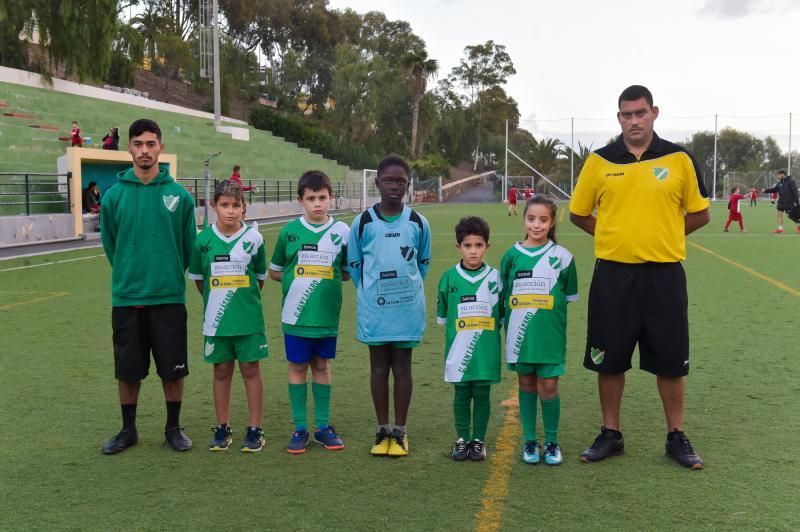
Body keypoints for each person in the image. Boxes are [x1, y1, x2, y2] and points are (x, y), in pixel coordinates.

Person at [569, 85, 709, 470]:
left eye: (641, 113)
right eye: (627, 114)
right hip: (613, 276)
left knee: (671, 362)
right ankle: (610, 434)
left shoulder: (679, 159)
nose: (634, 120)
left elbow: (699, 213)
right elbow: (578, 213)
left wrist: (663, 236)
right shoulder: (600, 161)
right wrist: (614, 237)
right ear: (619, 118)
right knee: (609, 360)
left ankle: (676, 436)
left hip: (664, 277)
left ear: (654, 113)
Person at [100, 118, 197, 454]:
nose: (144, 150)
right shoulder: (114, 197)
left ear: (160, 147)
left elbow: (188, 246)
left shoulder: (179, 196)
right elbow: (111, 244)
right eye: (138, 144)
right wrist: (130, 270)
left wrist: (167, 273)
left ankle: (173, 428)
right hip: (127, 296)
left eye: (150, 144)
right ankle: (128, 430)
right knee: (128, 371)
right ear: (129, 147)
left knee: (172, 368)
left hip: (168, 295)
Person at [348, 154, 431, 457]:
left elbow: (422, 264)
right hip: (375, 309)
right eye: (389, 180)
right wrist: (373, 292)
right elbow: (355, 265)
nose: (394, 186)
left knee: (403, 367)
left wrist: (403, 291)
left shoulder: (418, 222)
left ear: (408, 185)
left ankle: (400, 431)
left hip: (406, 309)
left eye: (400, 181)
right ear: (377, 183)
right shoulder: (363, 222)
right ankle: (382, 430)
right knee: (379, 367)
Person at [269, 170, 350, 454]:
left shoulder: (342, 232)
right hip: (296, 316)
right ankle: (300, 428)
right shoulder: (289, 232)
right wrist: (299, 283)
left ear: (332, 199)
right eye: (311, 198)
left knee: (322, 367)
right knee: (297, 368)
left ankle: (323, 427)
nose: (318, 203)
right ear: (300, 201)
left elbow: (346, 273)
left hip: (326, 316)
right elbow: (276, 272)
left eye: (323, 198)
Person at [188, 180, 267, 452]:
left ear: (244, 209)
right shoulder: (203, 240)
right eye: (225, 205)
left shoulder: (254, 239)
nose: (230, 211)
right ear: (214, 206)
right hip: (216, 320)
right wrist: (217, 299)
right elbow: (200, 280)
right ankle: (223, 427)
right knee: (221, 371)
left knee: (250, 370)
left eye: (236, 206)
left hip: (248, 320)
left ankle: (255, 428)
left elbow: (259, 278)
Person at [501, 195, 577, 466]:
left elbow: (568, 296)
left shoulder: (563, 258)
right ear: (524, 219)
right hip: (519, 336)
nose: (536, 225)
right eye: (531, 219)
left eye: (543, 220)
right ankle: (530, 440)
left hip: (550, 336)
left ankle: (553, 441)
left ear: (552, 221)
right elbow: (503, 293)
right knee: (526, 385)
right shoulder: (511, 256)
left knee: (549, 387)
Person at [436, 216, 502, 462]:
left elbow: (502, 315)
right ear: (458, 247)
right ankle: (462, 439)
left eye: (478, 245)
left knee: (482, 394)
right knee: (461, 394)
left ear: (487, 246)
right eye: (467, 246)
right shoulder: (448, 278)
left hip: (486, 351)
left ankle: (478, 440)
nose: (473, 251)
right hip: (458, 350)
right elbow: (443, 316)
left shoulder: (496, 279)